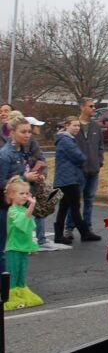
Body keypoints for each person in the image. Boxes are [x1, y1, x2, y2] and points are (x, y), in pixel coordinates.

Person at [0, 116, 44, 271]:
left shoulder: (23, 151)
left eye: (29, 131)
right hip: (5, 208)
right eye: (23, 132)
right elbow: (2, 181)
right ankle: (6, 286)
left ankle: (13, 283)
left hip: (19, 206)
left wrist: (35, 177)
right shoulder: (5, 155)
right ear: (12, 132)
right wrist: (25, 177)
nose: (27, 135)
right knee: (5, 247)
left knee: (18, 247)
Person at [54, 117, 101, 243]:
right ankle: (84, 232)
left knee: (64, 206)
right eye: (74, 125)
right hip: (69, 178)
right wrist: (82, 159)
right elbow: (79, 156)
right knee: (74, 207)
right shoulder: (65, 140)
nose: (77, 128)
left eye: (78, 126)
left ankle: (59, 235)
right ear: (67, 126)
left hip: (66, 178)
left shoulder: (66, 139)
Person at [65, 97, 104, 240]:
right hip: (78, 171)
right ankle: (69, 228)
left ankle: (87, 228)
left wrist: (100, 161)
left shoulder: (95, 127)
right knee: (74, 200)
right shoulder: (74, 126)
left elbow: (100, 145)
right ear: (82, 107)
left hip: (93, 169)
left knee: (89, 199)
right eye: (91, 106)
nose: (93, 108)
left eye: (94, 106)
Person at [4, 177, 44, 311]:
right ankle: (10, 296)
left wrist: (32, 248)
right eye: (21, 193)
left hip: (23, 248)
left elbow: (28, 231)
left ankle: (21, 292)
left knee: (22, 273)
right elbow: (22, 221)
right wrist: (32, 205)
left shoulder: (22, 210)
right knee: (13, 274)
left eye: (27, 193)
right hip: (13, 248)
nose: (25, 196)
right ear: (11, 195)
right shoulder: (13, 211)